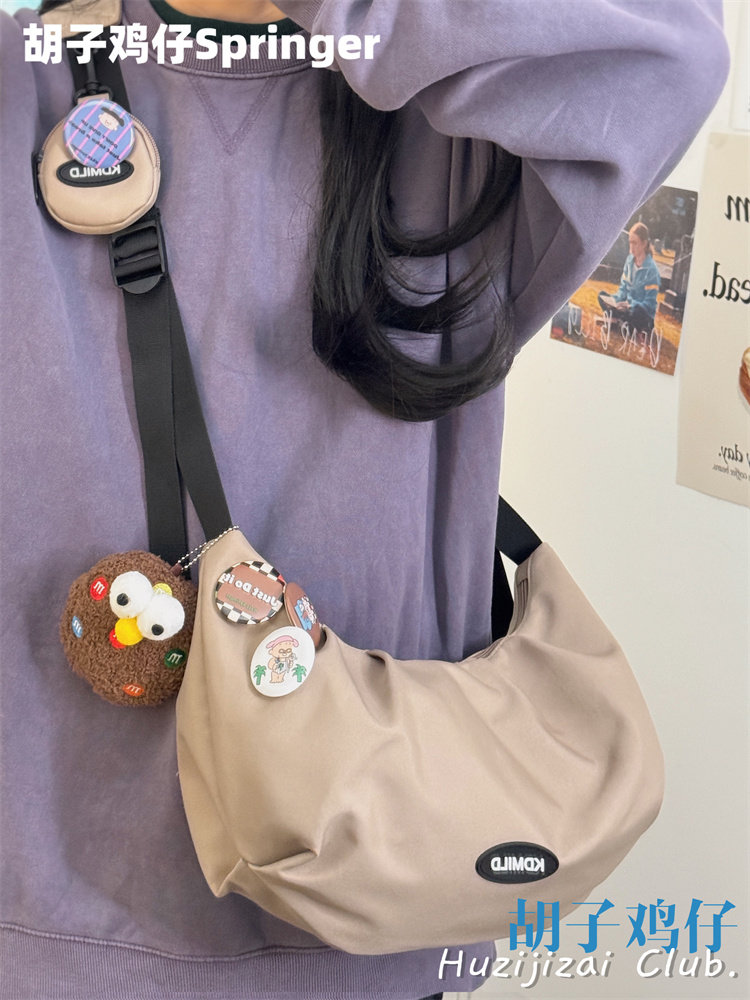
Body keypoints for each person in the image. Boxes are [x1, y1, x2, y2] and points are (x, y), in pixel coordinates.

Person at [0, 1, 729, 998]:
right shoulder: (25, 77)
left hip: (373, 910)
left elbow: (668, 51)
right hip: (47, 933)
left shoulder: (464, 142)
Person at [598, 223, 662, 333]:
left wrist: (630, 305)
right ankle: (623, 320)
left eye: (635, 243)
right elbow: (623, 289)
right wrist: (616, 302)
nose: (631, 246)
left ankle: (625, 321)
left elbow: (650, 304)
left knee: (636, 311)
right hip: (627, 308)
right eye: (630, 242)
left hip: (641, 313)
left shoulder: (651, 270)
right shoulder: (629, 261)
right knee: (601, 295)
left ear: (644, 244)